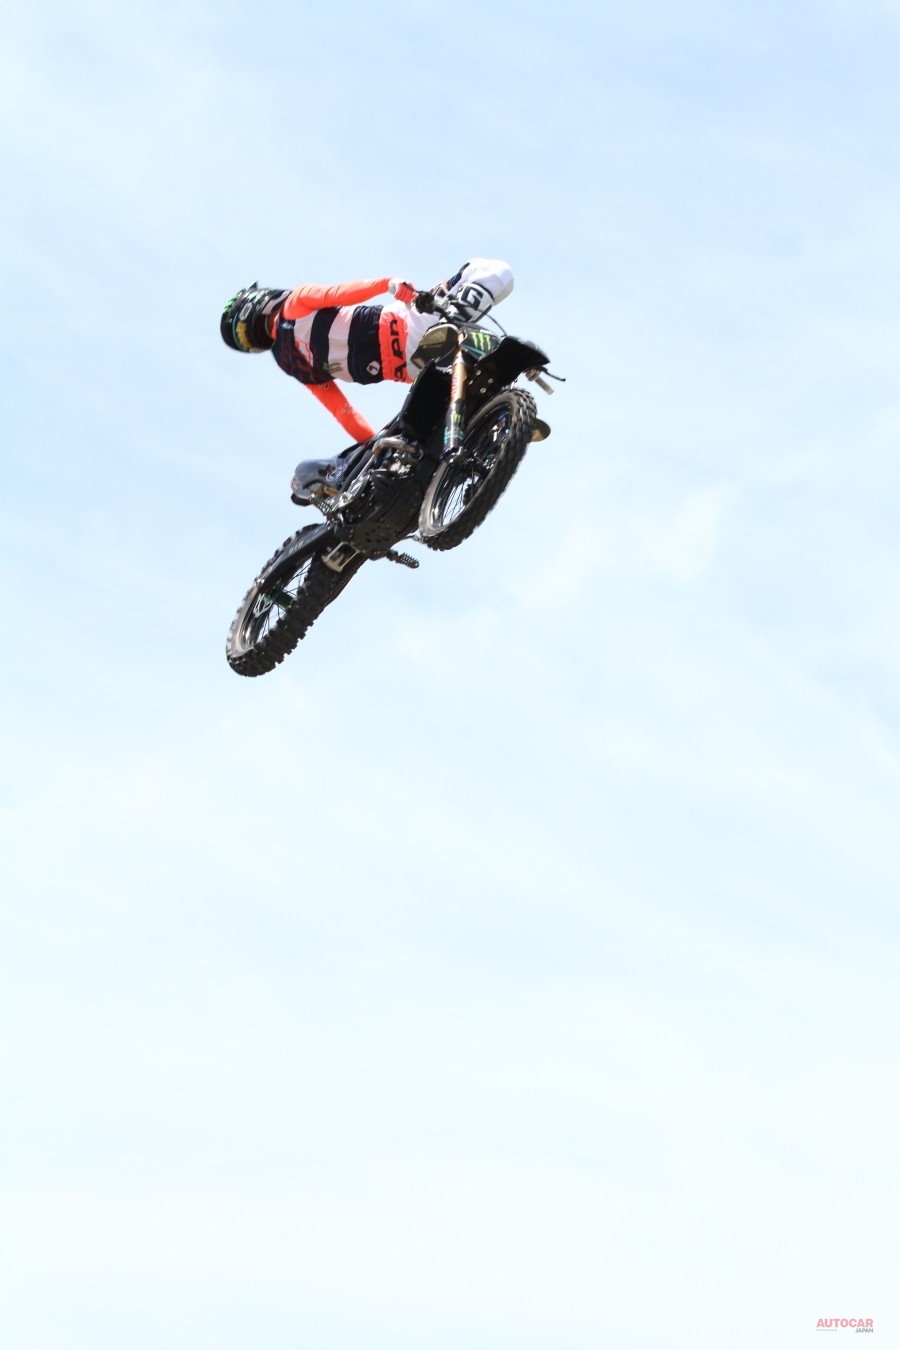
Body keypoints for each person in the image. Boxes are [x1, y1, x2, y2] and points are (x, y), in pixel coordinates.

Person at [220, 260, 514, 445]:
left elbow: (344, 413)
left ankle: (496, 424)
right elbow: (338, 293)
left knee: (477, 373)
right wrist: (390, 285)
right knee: (493, 271)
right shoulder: (295, 302)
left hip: (415, 370)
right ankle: (453, 323)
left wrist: (374, 445)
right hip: (411, 326)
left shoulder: (292, 365)